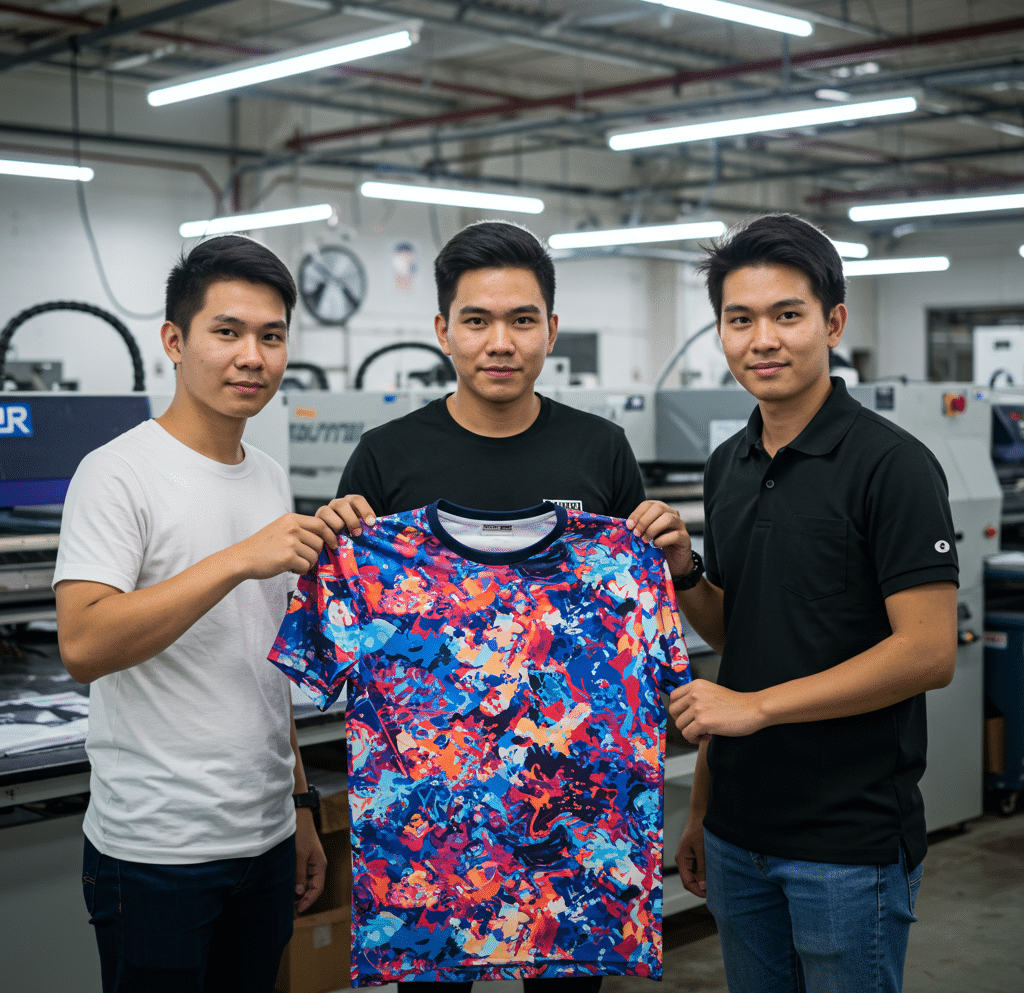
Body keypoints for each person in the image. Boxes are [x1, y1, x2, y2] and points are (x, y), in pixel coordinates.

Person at [315, 219, 692, 993]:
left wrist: (676, 557)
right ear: (443, 331)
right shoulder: (387, 456)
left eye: (521, 320)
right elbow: (341, 609)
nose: (500, 342)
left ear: (550, 329)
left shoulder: (601, 449)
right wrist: (332, 541)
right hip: (433, 848)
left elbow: (641, 603)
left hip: (573, 846)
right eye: (477, 320)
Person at [667, 213, 959, 993]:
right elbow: (742, 635)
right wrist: (687, 574)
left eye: (787, 315)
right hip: (737, 832)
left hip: (845, 842)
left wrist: (757, 708)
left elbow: (929, 653)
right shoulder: (727, 465)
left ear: (832, 323)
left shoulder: (892, 466)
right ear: (721, 333)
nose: (763, 340)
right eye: (740, 320)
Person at [53, 235, 336, 993]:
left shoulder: (267, 475)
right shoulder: (116, 473)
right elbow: (83, 643)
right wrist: (239, 558)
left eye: (271, 336)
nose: (252, 357)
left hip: (266, 840)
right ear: (175, 342)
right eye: (228, 332)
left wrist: (299, 805)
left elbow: (262, 659)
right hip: (156, 854)